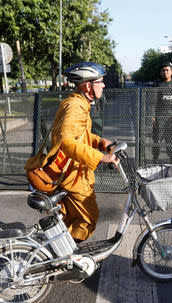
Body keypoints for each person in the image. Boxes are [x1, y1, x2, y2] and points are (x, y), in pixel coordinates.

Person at [25, 62, 119, 243]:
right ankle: (67, 258)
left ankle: (59, 257)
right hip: (73, 176)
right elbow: (66, 142)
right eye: (100, 82)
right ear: (87, 85)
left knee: (69, 220)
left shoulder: (79, 103)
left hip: (70, 173)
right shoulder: (76, 106)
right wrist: (101, 157)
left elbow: (79, 135)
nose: (104, 85)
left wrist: (99, 142)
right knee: (87, 220)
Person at [152, 61, 172, 164]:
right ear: (160, 72)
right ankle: (155, 159)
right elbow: (152, 102)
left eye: (167, 70)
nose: (165, 72)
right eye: (163, 70)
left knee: (171, 141)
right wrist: (152, 116)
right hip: (160, 117)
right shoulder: (157, 84)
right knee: (157, 141)